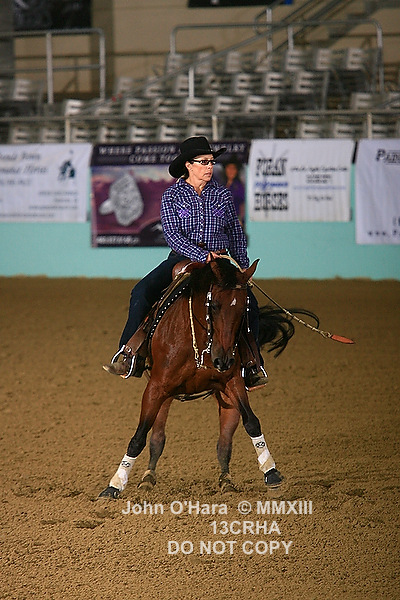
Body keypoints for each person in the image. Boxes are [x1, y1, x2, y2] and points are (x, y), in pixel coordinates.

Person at [103, 136, 268, 390]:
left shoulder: (222, 194)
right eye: (204, 162)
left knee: (249, 305)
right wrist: (201, 255)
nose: (210, 166)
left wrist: (242, 265)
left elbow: (234, 231)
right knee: (141, 292)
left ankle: (252, 365)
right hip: (183, 258)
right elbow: (172, 235)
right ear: (188, 165)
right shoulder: (172, 196)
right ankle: (129, 354)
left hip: (221, 258)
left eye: (211, 162)